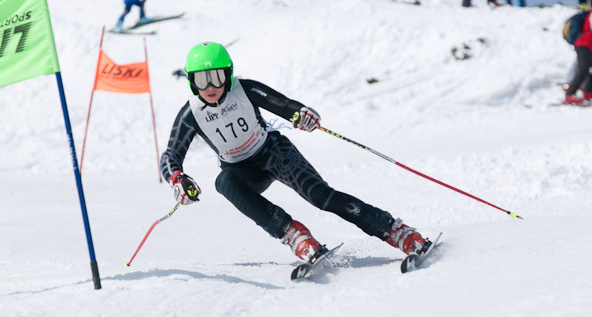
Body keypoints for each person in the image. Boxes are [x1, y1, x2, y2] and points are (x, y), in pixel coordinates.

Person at [160, 42, 432, 263]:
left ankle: (395, 230)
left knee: (320, 196)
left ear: (228, 74)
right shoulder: (190, 114)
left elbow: (285, 104)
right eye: (201, 80)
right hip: (241, 171)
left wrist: (301, 115)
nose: (210, 87)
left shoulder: (245, 89)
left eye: (217, 77)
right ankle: (294, 235)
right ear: (191, 82)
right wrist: (178, 180)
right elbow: (170, 155)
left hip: (273, 152)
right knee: (223, 182)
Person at [564, 0, 592, 105]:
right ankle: (570, 94)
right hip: (584, 45)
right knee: (583, 69)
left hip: (591, 47)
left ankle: (588, 91)